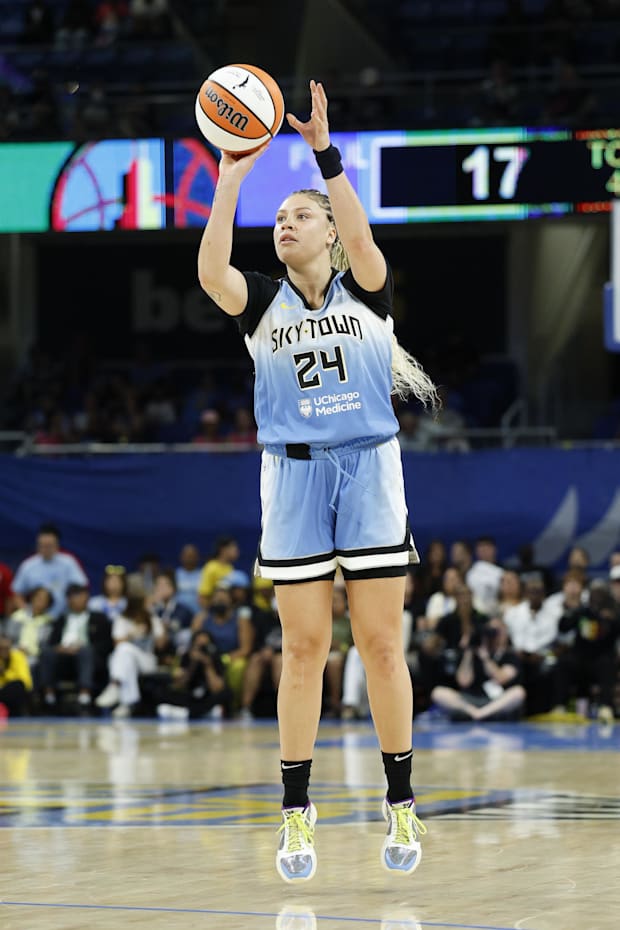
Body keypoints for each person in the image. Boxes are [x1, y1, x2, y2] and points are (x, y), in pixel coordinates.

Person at [198, 79, 436, 881]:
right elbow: (210, 272)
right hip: (292, 480)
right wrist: (232, 175)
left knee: (380, 646)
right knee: (303, 650)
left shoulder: (369, 288)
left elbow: (362, 238)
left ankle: (400, 796)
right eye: (281, 217)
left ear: (332, 234)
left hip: (370, 469)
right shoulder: (260, 305)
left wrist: (325, 155)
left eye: (299, 215)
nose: (285, 223)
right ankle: (295, 817)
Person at [431, 618, 526, 722]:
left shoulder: (510, 655)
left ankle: (481, 714)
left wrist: (485, 658)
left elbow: (501, 678)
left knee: (518, 692)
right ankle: (474, 713)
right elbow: (463, 682)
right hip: (470, 700)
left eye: (497, 631)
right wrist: (469, 651)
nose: (493, 635)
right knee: (438, 692)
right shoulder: (473, 653)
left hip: (495, 701)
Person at [38, 583, 112, 709]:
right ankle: (48, 695)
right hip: (63, 657)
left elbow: (106, 644)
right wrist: (60, 648)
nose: (78, 600)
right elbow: (51, 643)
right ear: (68, 600)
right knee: (46, 652)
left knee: (85, 651)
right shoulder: (60, 619)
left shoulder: (99, 618)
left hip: (89, 657)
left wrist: (82, 647)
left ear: (87, 598)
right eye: (74, 596)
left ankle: (85, 695)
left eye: (81, 596)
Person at [11, 524, 88, 619]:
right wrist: (27, 612)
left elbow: (81, 588)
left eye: (49, 546)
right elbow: (16, 593)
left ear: (57, 545)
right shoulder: (28, 565)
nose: (45, 549)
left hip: (63, 617)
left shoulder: (68, 563)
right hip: (36, 619)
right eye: (42, 545)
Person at [0, 635, 33, 717]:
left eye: (6, 648)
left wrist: (4, 673)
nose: (4, 650)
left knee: (17, 685)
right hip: (2, 691)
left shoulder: (18, 656)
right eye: (1, 648)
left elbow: (23, 679)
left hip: (18, 689)